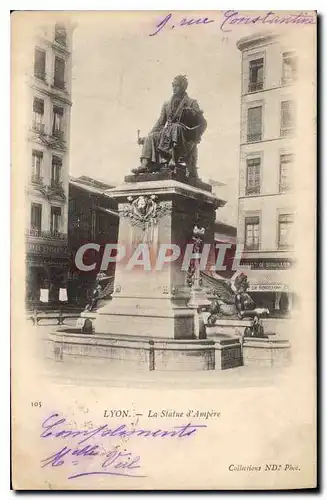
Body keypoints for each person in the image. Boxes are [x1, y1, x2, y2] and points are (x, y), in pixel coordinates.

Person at [132, 75, 207, 178]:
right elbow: (160, 123)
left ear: (183, 87)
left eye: (177, 85)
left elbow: (200, 122)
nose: (174, 88)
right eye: (173, 85)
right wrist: (147, 136)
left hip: (185, 136)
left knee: (176, 128)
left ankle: (174, 159)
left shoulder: (192, 103)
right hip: (167, 133)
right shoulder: (166, 104)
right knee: (151, 137)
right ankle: (144, 164)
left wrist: (193, 114)